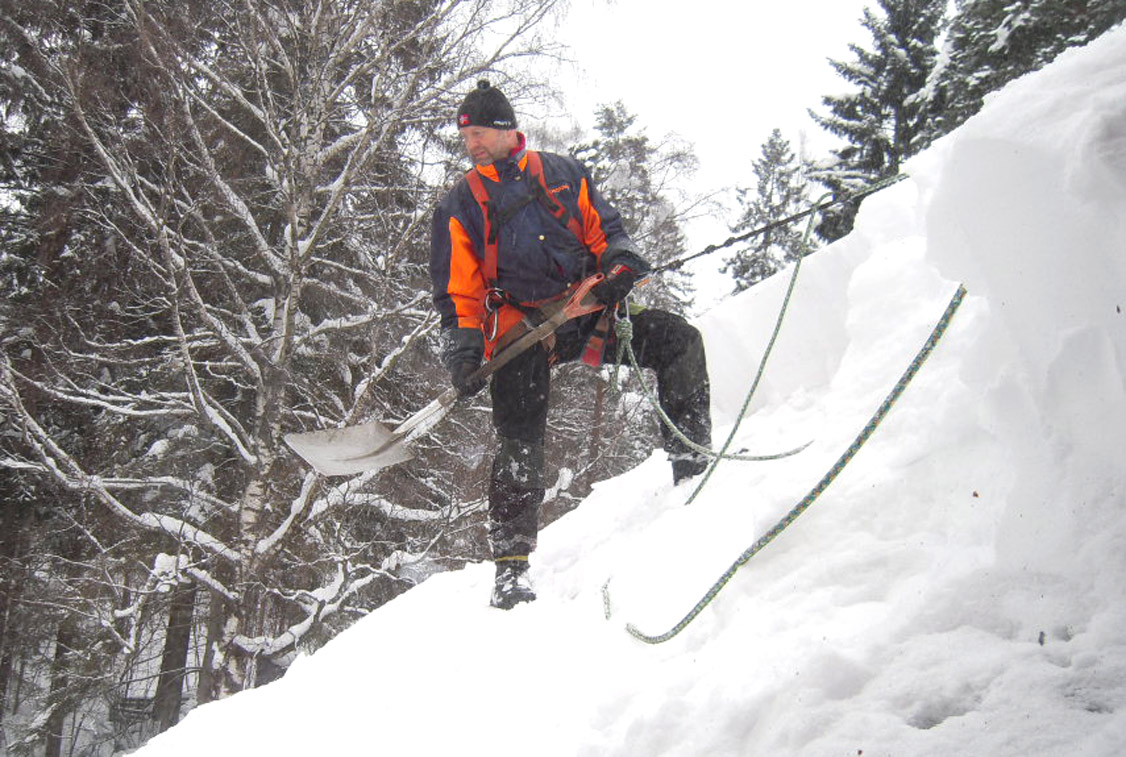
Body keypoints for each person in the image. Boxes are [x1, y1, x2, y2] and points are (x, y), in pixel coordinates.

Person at [430, 79, 712, 609]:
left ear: (508, 130)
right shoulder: (460, 204)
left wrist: (620, 266)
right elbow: (458, 292)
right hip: (522, 330)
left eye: (480, 132)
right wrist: (464, 353)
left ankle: (692, 472)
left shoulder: (563, 174)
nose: (471, 143)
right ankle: (511, 569)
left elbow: (608, 231)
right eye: (465, 135)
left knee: (680, 342)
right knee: (518, 432)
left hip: (587, 310)